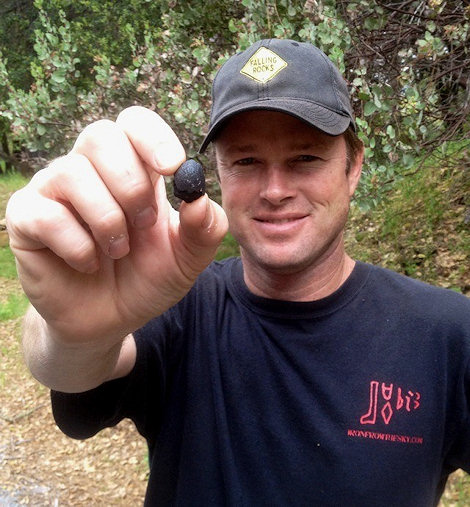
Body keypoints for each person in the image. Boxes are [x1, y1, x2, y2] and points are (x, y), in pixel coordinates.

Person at [6, 38, 470, 506]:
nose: (274, 190)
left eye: (305, 158)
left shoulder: (448, 335)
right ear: (218, 175)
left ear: (353, 167)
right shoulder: (179, 307)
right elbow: (71, 370)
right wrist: (74, 333)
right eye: (246, 161)